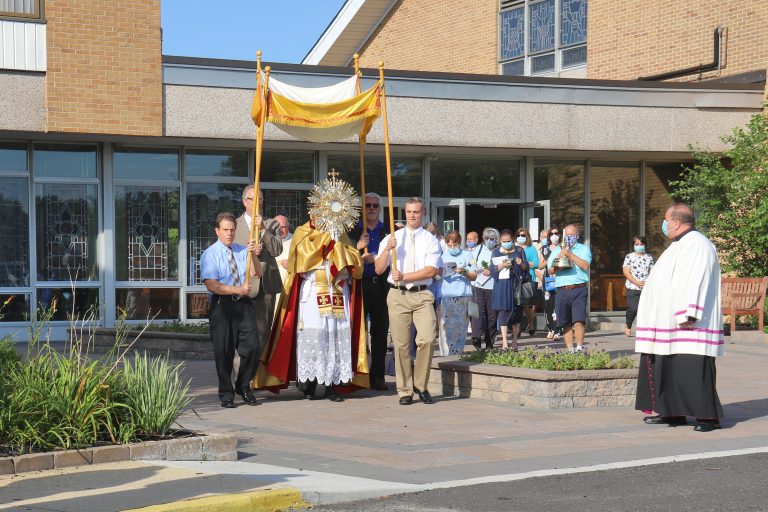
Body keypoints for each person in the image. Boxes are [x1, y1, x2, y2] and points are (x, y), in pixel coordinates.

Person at [253, 215, 369, 401]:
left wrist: (341, 261)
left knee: (333, 336)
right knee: (313, 337)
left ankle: (332, 384)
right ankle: (309, 384)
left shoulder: (340, 234)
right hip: (313, 292)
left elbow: (354, 262)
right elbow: (297, 262)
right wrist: (322, 257)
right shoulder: (302, 232)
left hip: (336, 291)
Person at [635, 204, 724, 432]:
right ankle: (672, 412)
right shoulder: (679, 244)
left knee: (693, 370)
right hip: (666, 322)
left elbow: (697, 279)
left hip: (686, 322)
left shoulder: (698, 244)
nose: (663, 225)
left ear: (676, 222)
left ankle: (707, 417)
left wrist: (689, 312)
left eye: (666, 220)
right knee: (668, 368)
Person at [375, 197, 441, 405]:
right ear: (405, 213)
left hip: (422, 294)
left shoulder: (431, 240)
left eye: (416, 212)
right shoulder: (392, 238)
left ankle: (420, 385)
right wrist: (387, 249)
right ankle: (404, 390)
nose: (412, 215)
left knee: (428, 339)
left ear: (423, 213)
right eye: (409, 212)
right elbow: (378, 269)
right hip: (398, 295)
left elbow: (431, 270)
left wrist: (405, 276)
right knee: (401, 345)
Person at [200, 212, 263, 408]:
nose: (229, 233)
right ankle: (226, 393)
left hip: (243, 305)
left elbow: (257, 273)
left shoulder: (242, 250)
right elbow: (212, 285)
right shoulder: (210, 254)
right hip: (222, 306)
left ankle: (243, 386)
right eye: (225, 230)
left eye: (232, 230)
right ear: (217, 231)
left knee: (253, 347)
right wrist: (237, 289)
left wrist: (252, 255)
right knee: (224, 352)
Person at [235, 186, 283, 372]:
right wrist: (248, 252)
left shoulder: (272, 224)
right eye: (254, 199)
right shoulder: (235, 224)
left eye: (261, 199)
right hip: (243, 284)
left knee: (262, 333)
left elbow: (277, 250)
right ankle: (239, 375)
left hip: (265, 285)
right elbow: (229, 252)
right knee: (242, 333)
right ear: (244, 202)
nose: (258, 203)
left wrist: (263, 230)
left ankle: (252, 375)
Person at [349, 192, 391, 391]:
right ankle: (358, 374)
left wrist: (376, 257)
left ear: (380, 208)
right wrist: (357, 248)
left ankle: (378, 376)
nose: (371, 208)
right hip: (359, 285)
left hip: (382, 287)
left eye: (375, 205)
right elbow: (342, 257)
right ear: (362, 209)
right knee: (358, 332)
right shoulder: (350, 231)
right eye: (367, 205)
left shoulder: (389, 232)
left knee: (380, 333)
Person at [547, 224, 591, 353]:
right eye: (568, 235)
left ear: (577, 235)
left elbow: (585, 265)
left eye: (572, 235)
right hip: (561, 289)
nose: (570, 237)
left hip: (579, 288)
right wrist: (561, 257)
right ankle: (570, 349)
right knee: (565, 321)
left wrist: (570, 255)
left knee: (579, 321)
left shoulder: (584, 249)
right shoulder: (557, 250)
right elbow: (550, 271)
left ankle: (579, 348)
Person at [439, 231, 476, 356]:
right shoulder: (442, 257)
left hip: (463, 296)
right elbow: (436, 276)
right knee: (446, 327)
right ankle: (446, 355)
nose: (452, 247)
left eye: (455, 244)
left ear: (460, 243)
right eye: (450, 245)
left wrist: (464, 272)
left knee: (461, 328)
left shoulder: (467, 254)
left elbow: (474, 275)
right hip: (446, 296)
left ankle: (458, 354)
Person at [491, 229, 529, 350]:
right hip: (502, 286)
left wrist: (520, 263)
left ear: (513, 240)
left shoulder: (519, 250)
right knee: (503, 312)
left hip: (516, 285)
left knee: (516, 313)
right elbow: (492, 271)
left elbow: (526, 268)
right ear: (500, 241)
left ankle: (514, 340)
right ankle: (504, 342)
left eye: (509, 241)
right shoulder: (496, 252)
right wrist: (502, 265)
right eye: (504, 241)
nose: (507, 243)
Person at [469, 227, 499, 350]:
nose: (489, 241)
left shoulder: (498, 251)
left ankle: (490, 341)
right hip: (478, 285)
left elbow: (503, 266)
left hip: (493, 286)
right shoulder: (479, 249)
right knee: (477, 313)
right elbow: (471, 262)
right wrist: (477, 268)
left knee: (492, 315)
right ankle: (476, 338)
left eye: (492, 239)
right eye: (487, 238)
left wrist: (492, 271)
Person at [622, 235, 654, 336]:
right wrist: (636, 282)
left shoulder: (649, 257)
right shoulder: (629, 256)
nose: (639, 246)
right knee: (633, 308)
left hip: (646, 287)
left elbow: (652, 271)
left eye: (641, 244)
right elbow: (626, 271)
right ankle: (628, 325)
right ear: (633, 245)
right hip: (632, 287)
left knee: (644, 310)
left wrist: (648, 282)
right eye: (637, 244)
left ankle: (643, 329)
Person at [516, 227, 545, 337]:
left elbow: (537, 263)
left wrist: (525, 263)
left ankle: (530, 323)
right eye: (519, 235)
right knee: (517, 304)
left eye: (523, 235)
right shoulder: (514, 248)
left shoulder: (531, 248)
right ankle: (517, 328)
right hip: (516, 278)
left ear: (527, 236)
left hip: (528, 278)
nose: (521, 237)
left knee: (527, 305)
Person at [537, 228, 561, 340]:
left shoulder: (562, 248)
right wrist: (549, 260)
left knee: (558, 304)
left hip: (560, 278)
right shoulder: (545, 249)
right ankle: (550, 328)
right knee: (548, 304)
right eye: (552, 234)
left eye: (556, 233)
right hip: (549, 279)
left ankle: (557, 330)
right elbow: (540, 266)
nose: (554, 236)